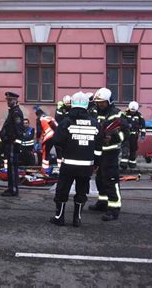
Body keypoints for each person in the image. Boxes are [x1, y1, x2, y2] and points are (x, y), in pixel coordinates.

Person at [50, 92, 103, 227]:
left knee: (62, 191)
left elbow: (57, 140)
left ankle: (59, 217)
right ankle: (77, 218)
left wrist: (67, 146)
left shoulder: (66, 121)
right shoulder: (94, 123)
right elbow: (98, 146)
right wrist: (96, 162)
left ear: (72, 104)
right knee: (81, 192)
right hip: (86, 166)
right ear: (87, 104)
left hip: (68, 164)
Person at [88, 87, 128, 221]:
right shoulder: (93, 111)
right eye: (98, 102)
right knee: (100, 179)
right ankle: (103, 202)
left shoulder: (116, 114)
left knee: (111, 180)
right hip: (98, 152)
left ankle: (114, 208)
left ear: (109, 101)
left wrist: (113, 137)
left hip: (110, 152)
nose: (100, 104)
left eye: (103, 102)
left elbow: (125, 134)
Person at [0, 91, 24, 196]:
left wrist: (16, 142)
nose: (8, 102)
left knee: (13, 167)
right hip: (9, 143)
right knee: (10, 167)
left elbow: (19, 130)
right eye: (7, 100)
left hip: (13, 144)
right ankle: (10, 188)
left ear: (15, 100)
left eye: (10, 100)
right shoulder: (12, 111)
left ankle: (13, 190)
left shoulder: (16, 112)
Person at [120, 101, 146, 170]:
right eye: (131, 111)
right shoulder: (124, 114)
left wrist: (143, 134)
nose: (132, 112)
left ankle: (132, 163)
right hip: (126, 135)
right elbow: (120, 122)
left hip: (134, 136)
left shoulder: (139, 115)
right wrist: (126, 125)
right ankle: (123, 164)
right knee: (125, 149)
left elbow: (143, 125)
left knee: (133, 149)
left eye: (134, 111)